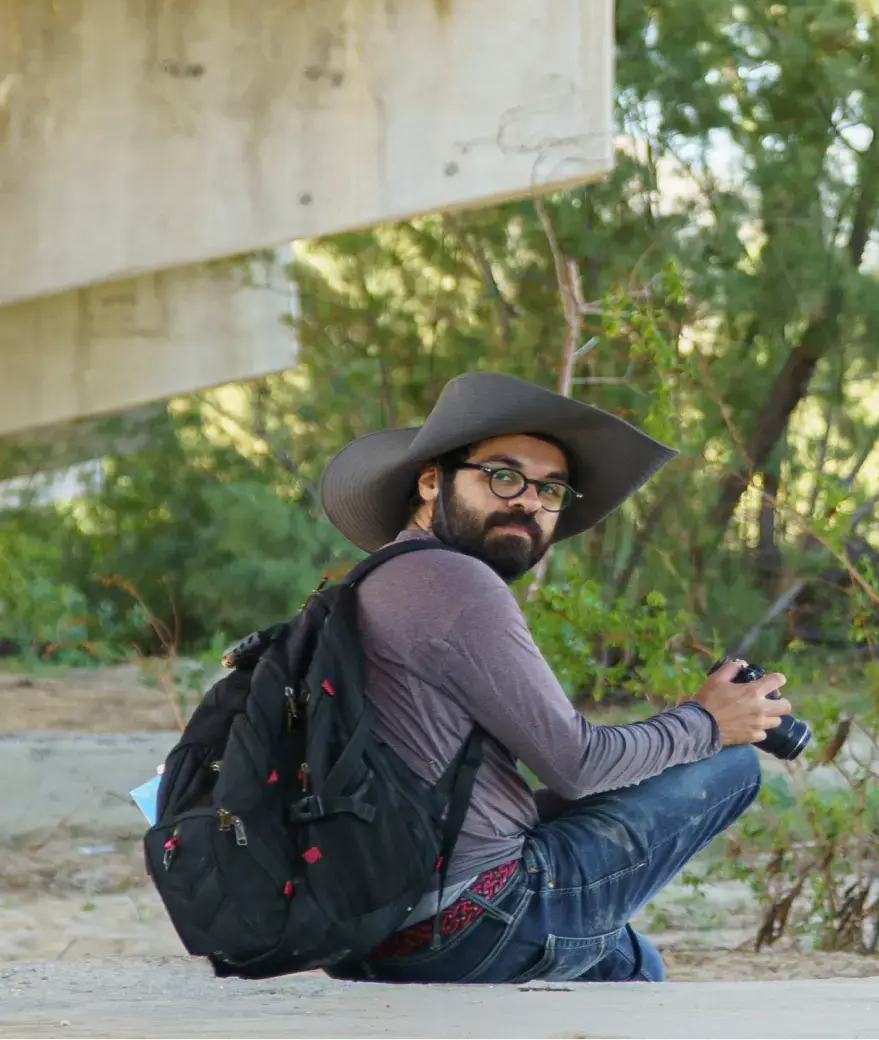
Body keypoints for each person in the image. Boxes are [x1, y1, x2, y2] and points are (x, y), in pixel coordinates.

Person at [320, 371, 792, 983]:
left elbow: (499, 790)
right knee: (729, 766)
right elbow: (576, 763)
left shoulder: (375, 581)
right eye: (503, 476)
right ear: (433, 480)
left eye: (551, 490)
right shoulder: (458, 584)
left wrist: (673, 736)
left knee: (630, 964)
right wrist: (706, 724)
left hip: (367, 931)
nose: (528, 502)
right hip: (470, 921)